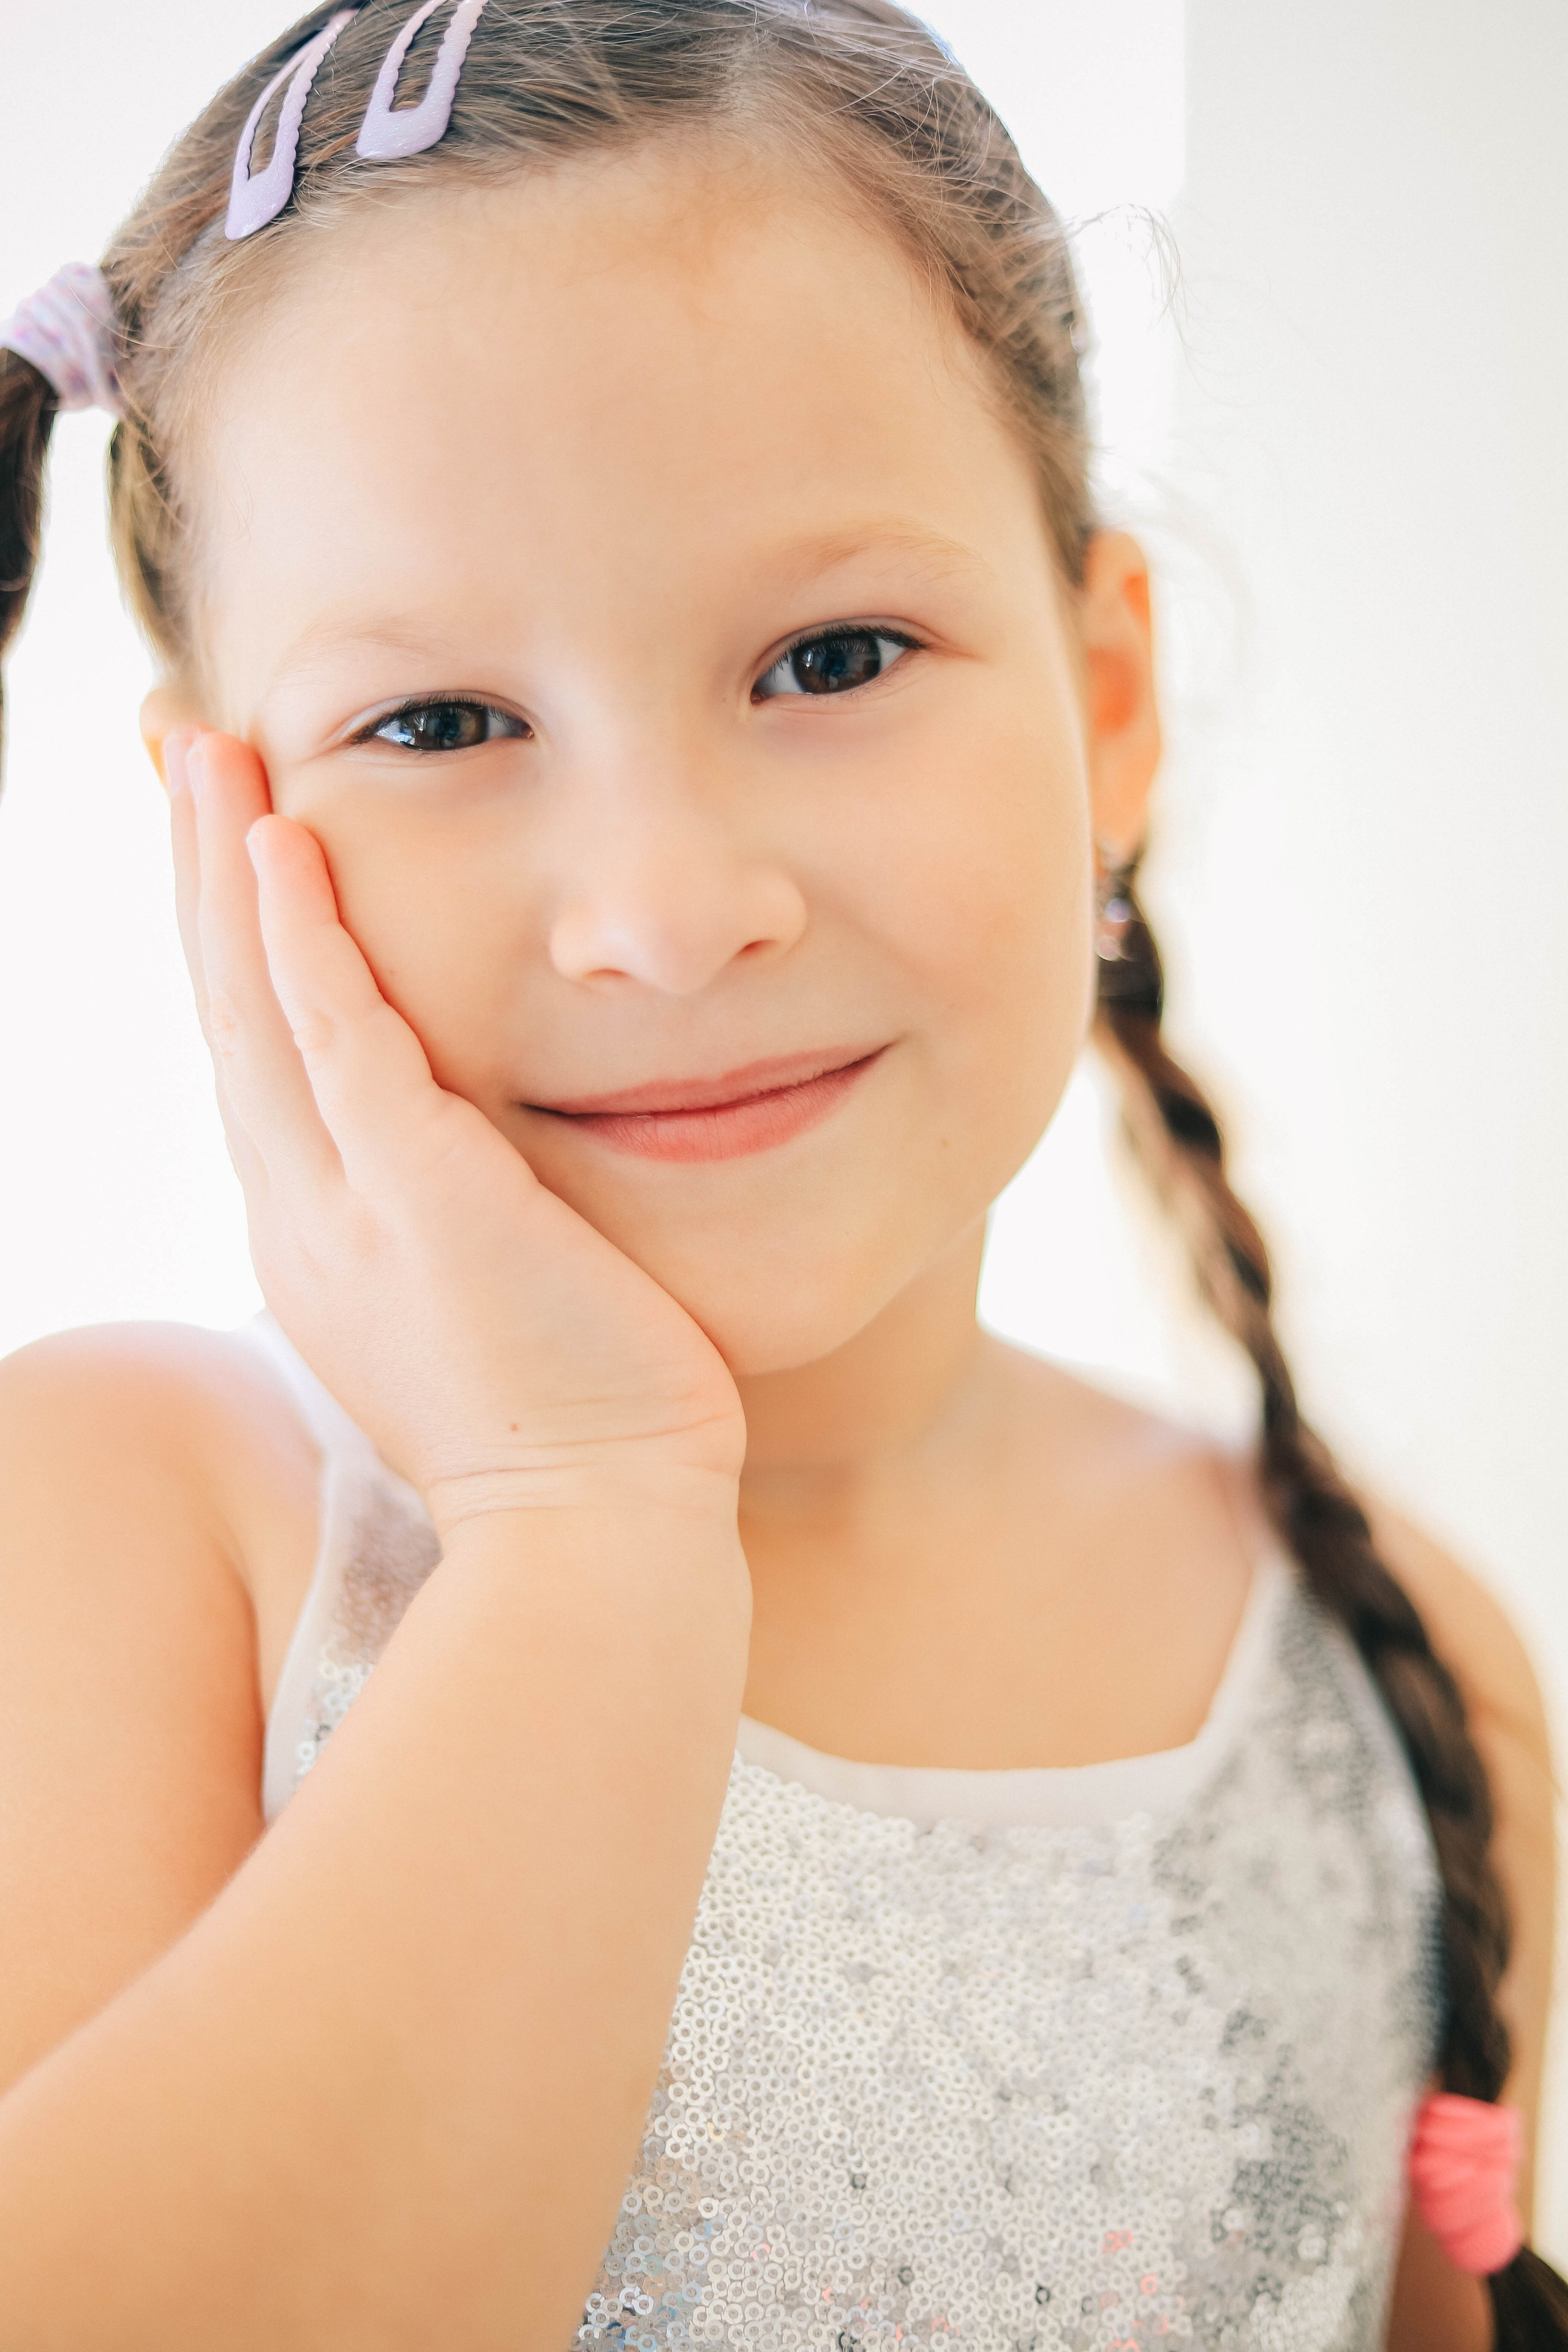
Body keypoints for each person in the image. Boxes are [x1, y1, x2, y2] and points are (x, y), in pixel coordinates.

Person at [0, 3, 1558, 2345]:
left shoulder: (1388, 1669)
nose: (662, 908)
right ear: (219, 835)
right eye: (438, 722)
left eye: (833, 654)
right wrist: (579, 1525)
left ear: (1106, 710)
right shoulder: (125, 1543)